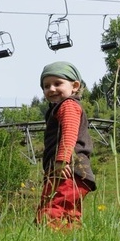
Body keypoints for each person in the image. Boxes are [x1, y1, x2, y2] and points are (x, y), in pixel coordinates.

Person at [36, 61, 96, 230]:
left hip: (68, 171)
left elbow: (69, 133)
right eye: (46, 86)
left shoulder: (68, 105)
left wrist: (62, 160)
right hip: (67, 171)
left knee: (52, 212)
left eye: (57, 83)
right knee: (68, 215)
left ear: (75, 86)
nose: (51, 89)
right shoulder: (59, 107)